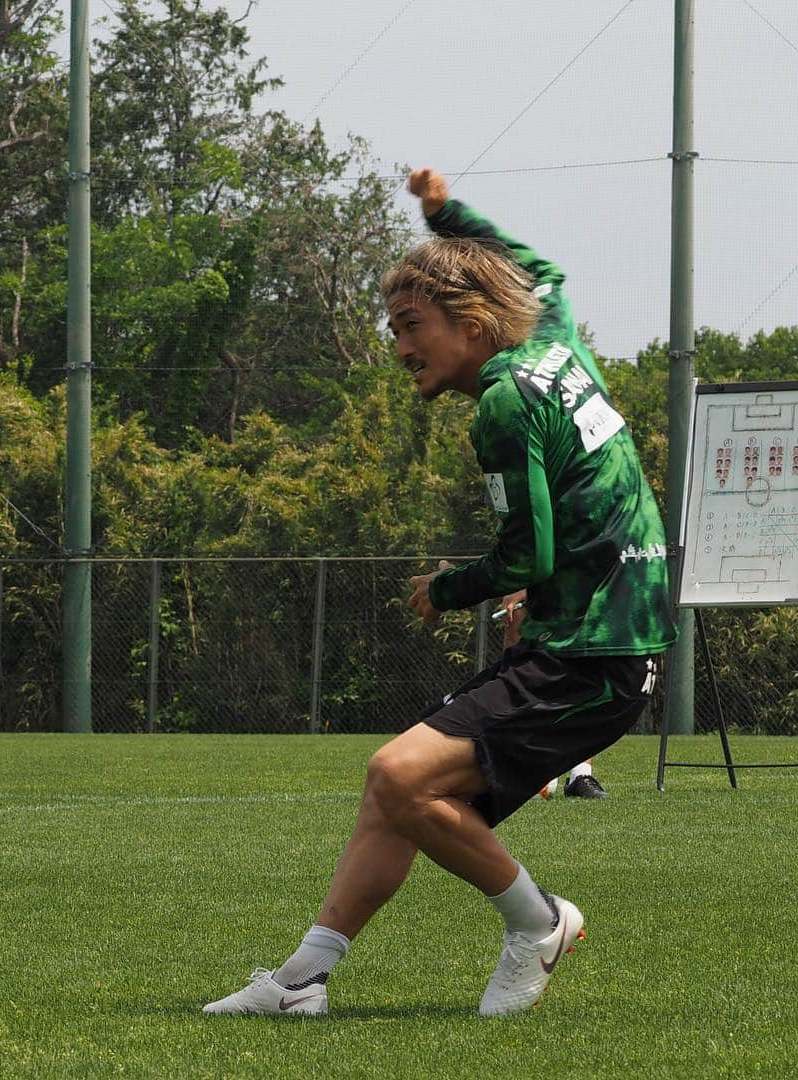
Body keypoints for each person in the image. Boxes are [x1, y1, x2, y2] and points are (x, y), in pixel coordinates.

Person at [202, 168, 676, 1019]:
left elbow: (526, 552)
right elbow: (539, 267)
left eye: (410, 326)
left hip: (592, 657)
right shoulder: (556, 340)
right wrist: (446, 214)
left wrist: (446, 589)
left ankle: (538, 925)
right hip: (592, 643)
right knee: (394, 791)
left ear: (473, 321)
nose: (400, 349)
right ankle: (301, 981)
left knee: (400, 772)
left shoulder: (501, 401)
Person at [496, 591, 609, 800]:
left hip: (573, 590)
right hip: (537, 589)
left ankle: (580, 775)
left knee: (584, 676)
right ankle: (520, 762)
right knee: (517, 628)